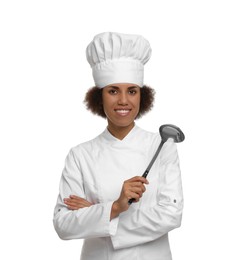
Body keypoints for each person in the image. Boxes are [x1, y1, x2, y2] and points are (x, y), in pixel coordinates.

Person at [53, 32, 183, 260]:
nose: (123, 100)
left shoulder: (162, 146)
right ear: (99, 97)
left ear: (142, 97)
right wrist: (115, 207)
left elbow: (171, 215)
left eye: (132, 91)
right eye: (113, 91)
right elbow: (63, 224)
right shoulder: (80, 155)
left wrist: (97, 215)